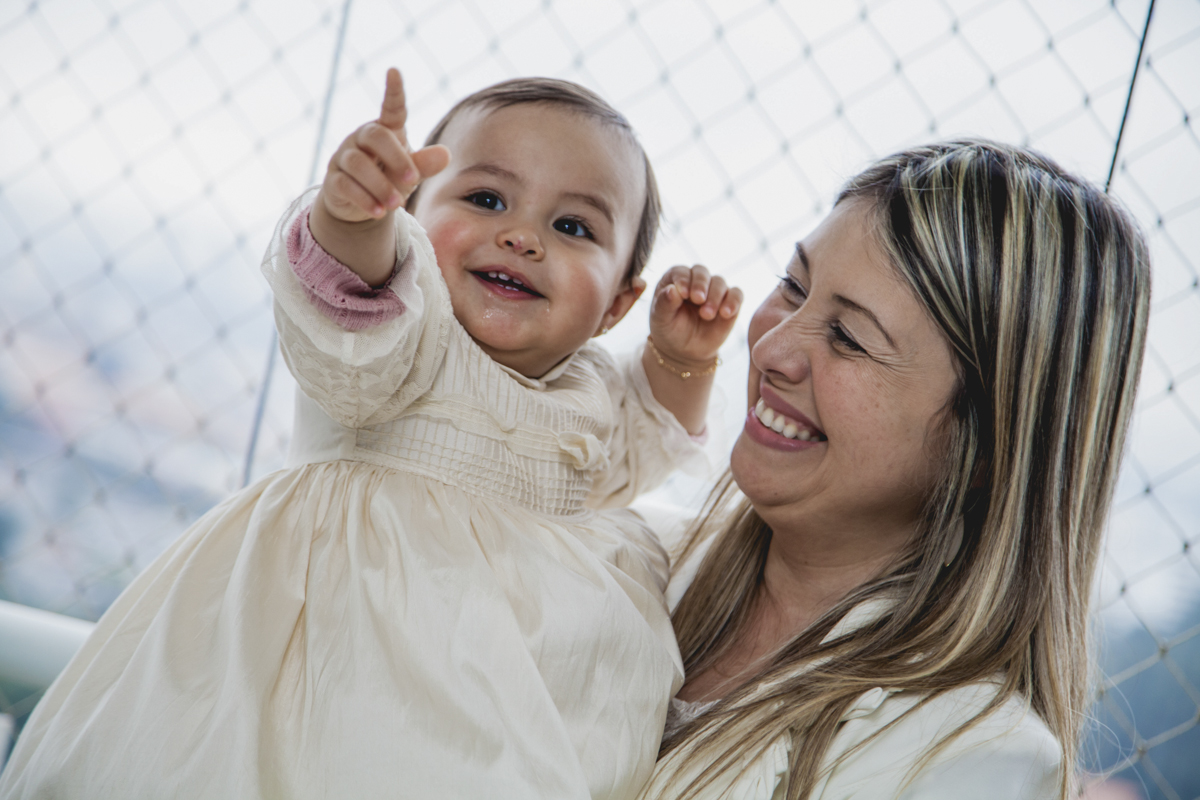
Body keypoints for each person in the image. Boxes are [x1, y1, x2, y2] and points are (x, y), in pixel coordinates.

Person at [0, 69, 742, 799]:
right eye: (485, 199)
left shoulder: (594, 391)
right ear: (413, 221)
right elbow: (348, 310)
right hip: (344, 654)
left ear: (617, 303)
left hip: (529, 690)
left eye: (573, 226)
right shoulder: (401, 330)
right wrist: (355, 218)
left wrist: (680, 360)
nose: (521, 236)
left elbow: (647, 447)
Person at [636, 140, 1150, 799]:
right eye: (793, 286)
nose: (770, 346)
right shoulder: (630, 556)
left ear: (987, 447)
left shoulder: (971, 757)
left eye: (850, 338)